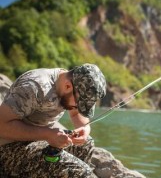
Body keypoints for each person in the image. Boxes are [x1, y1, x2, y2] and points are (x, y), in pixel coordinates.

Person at [0, 63, 145, 178]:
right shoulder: (35, 87)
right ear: (68, 86)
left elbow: (76, 115)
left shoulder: (70, 86)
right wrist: (48, 134)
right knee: (80, 171)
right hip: (7, 148)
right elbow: (2, 126)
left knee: (86, 143)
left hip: (37, 141)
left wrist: (84, 129)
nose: (77, 107)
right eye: (78, 103)